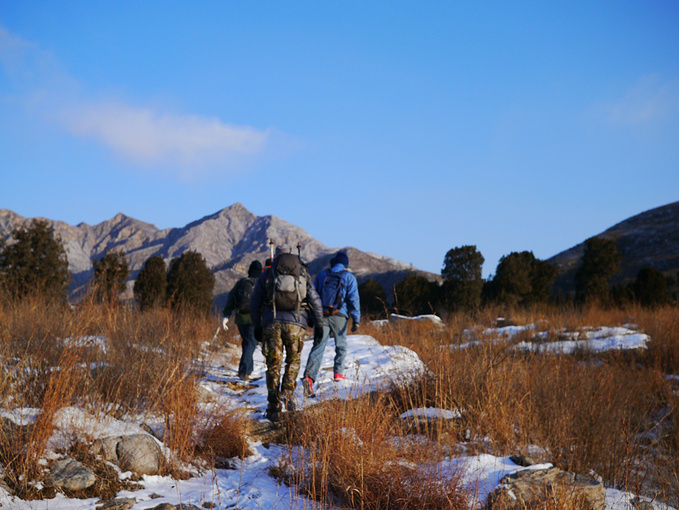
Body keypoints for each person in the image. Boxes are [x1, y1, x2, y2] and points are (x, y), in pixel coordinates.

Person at [250, 244, 325, 422]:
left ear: (276, 256)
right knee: (293, 361)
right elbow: (314, 299)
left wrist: (257, 326)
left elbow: (255, 302)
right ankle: (288, 394)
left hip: (272, 323)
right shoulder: (302, 273)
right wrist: (319, 325)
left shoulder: (267, 274)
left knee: (273, 365)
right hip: (297, 324)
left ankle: (274, 407)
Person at [302, 250, 360, 397]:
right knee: (341, 345)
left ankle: (309, 377)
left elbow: (312, 295)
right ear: (345, 265)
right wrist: (356, 319)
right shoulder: (349, 277)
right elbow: (353, 299)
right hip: (340, 315)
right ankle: (338, 374)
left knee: (318, 346)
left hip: (321, 316)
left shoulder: (322, 275)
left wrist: (311, 315)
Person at [222, 260, 262, 381]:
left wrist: (226, 315)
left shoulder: (242, 282)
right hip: (253, 319)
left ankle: (249, 369)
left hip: (240, 318)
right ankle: (243, 371)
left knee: (247, 342)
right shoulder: (261, 283)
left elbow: (231, 298)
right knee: (251, 343)